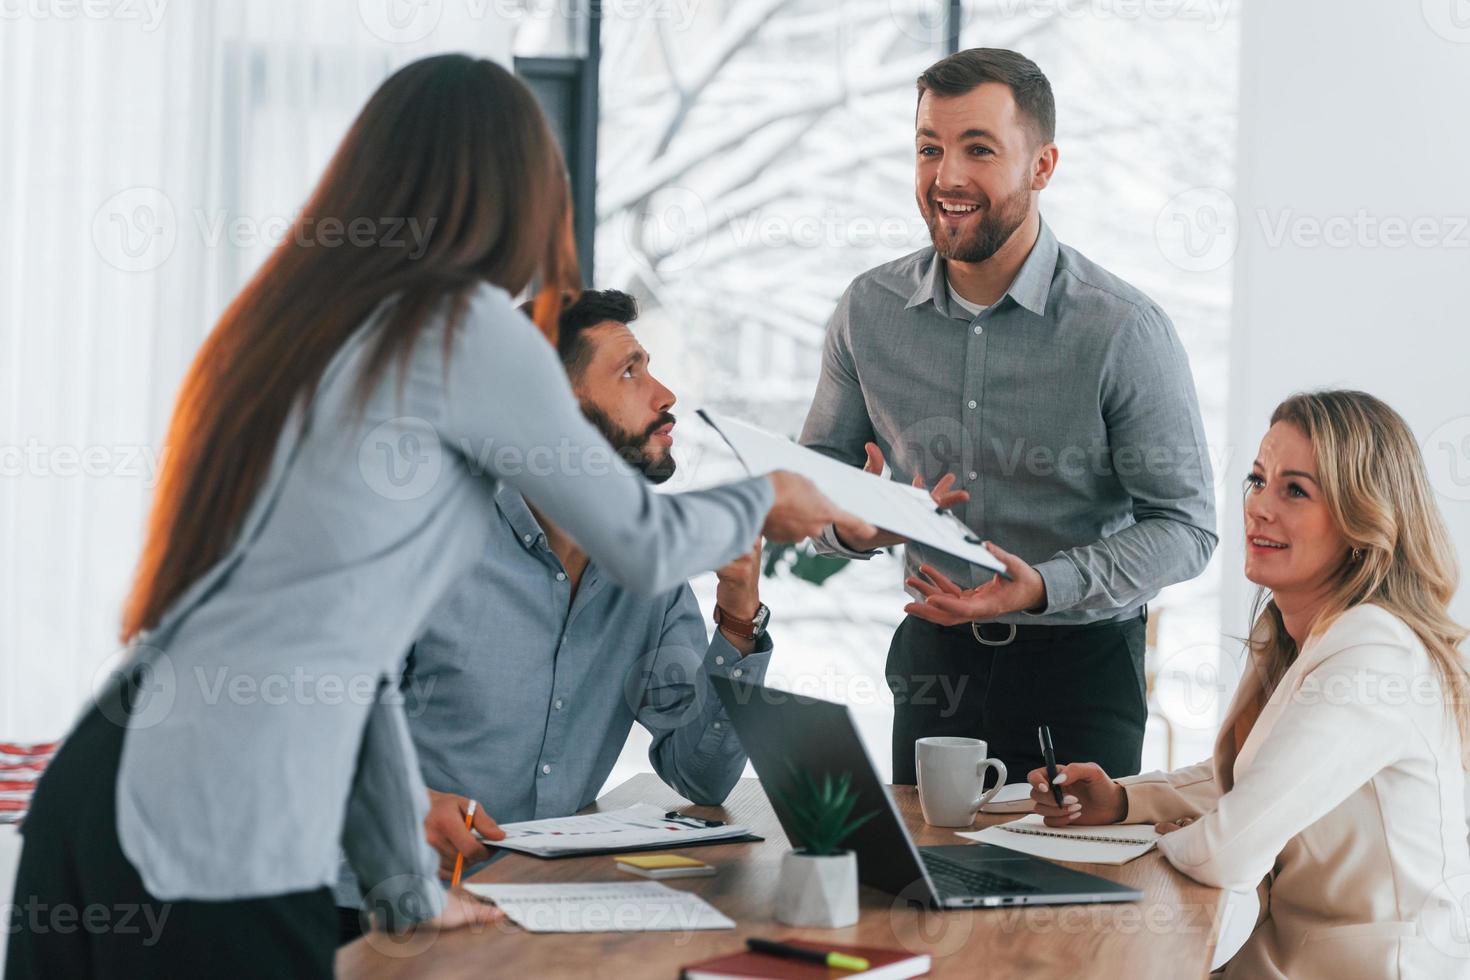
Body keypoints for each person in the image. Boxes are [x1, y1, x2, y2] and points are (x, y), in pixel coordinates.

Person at [3, 55, 869, 978]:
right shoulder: (465, 328)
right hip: (218, 816)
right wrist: (771, 495)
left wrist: (404, 888)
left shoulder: (333, 334)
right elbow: (644, 539)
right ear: (513, 188)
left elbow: (360, 666)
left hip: (117, 778)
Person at [801, 47, 1217, 784]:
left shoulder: (1121, 329)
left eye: (979, 149)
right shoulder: (867, 312)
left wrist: (1046, 584)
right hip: (935, 667)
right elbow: (819, 482)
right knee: (921, 890)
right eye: (929, 148)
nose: (947, 177)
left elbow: (1187, 527)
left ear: (1042, 166)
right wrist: (850, 524)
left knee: (1077, 893)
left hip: (1079, 672)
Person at [333, 289, 781, 938]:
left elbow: (700, 774)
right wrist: (411, 801)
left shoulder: (646, 565)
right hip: (380, 909)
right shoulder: (430, 541)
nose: (665, 396)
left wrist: (738, 615)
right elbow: (321, 720)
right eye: (630, 371)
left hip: (542, 906)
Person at [1026, 390, 1470, 980]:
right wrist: (1125, 801)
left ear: (1363, 519)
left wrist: (1189, 834)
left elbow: (1227, 852)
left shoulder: (1374, 654)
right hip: (1284, 955)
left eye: (1296, 490)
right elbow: (1249, 777)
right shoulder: (1293, 633)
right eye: (1258, 481)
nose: (1259, 507)